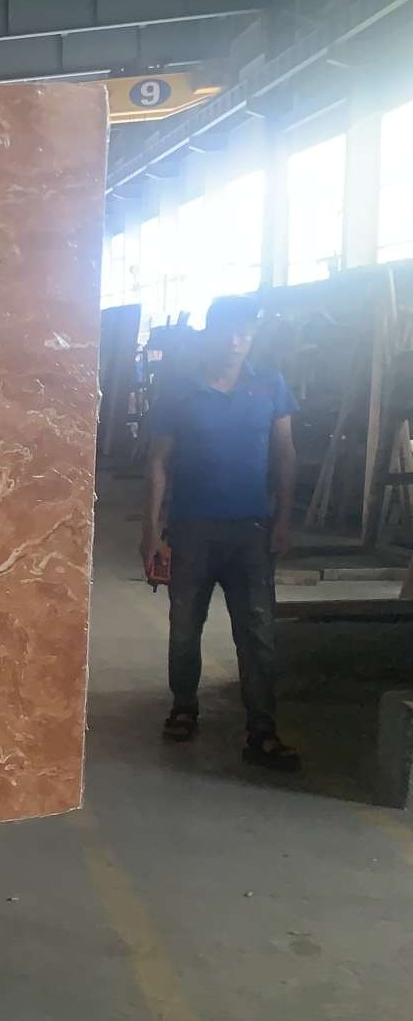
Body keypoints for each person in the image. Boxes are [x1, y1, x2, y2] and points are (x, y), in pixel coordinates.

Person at [140, 294, 300, 770]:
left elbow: (285, 454)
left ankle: (262, 730)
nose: (236, 341)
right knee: (185, 626)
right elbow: (158, 461)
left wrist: (284, 518)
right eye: (228, 331)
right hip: (192, 530)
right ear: (210, 333)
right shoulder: (179, 390)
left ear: (253, 334)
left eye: (245, 331)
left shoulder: (270, 384)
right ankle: (184, 707)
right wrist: (151, 531)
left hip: (252, 530)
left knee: (257, 632)